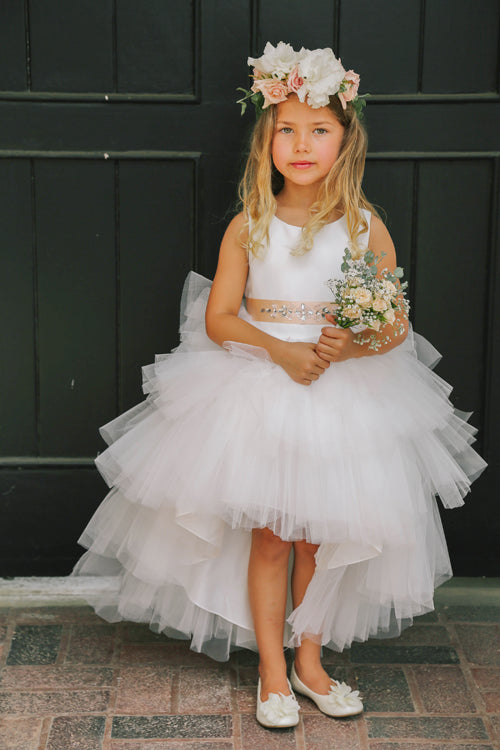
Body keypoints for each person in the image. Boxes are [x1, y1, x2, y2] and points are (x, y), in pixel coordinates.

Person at [73, 42, 487, 729]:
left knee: (319, 540)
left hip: (345, 401)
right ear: (267, 141)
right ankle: (272, 669)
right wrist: (282, 352)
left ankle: (310, 659)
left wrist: (353, 344)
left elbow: (394, 324)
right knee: (270, 536)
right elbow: (219, 318)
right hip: (260, 392)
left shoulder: (362, 227)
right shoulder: (250, 225)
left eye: (318, 130)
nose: (301, 144)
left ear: (344, 141)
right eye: (286, 130)